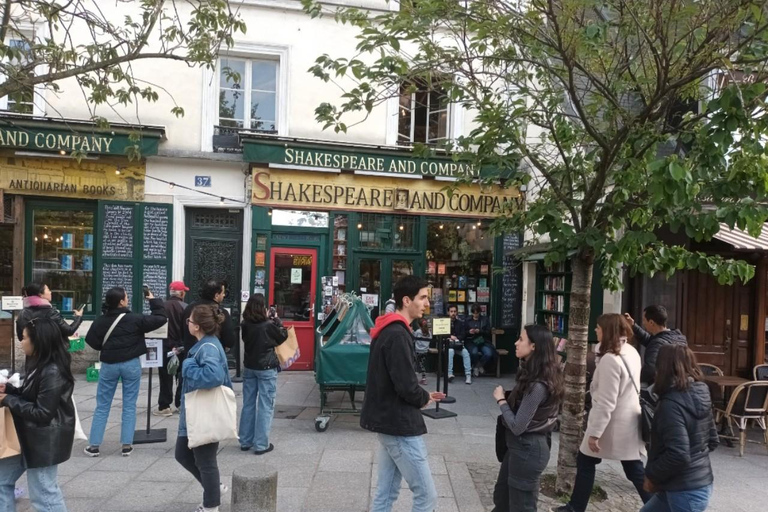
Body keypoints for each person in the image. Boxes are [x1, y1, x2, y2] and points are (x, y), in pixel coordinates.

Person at [361, 275, 445, 512]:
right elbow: (406, 385)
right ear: (406, 300)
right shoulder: (397, 334)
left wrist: (422, 395)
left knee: (386, 494)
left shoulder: (390, 329)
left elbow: (397, 379)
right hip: (399, 425)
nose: (427, 303)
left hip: (389, 422)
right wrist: (423, 398)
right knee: (426, 496)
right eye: (423, 297)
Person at [551, 314, 652, 512]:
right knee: (633, 468)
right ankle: (657, 505)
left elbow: (605, 402)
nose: (595, 330)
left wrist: (595, 432)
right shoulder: (631, 351)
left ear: (608, 331)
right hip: (628, 422)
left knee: (587, 461)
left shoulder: (610, 360)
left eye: (598, 327)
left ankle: (576, 507)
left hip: (612, 424)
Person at [0, 319, 75, 512]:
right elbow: (32, 396)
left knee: (44, 494)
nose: (21, 342)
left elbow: (42, 412)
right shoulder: (40, 364)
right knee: (2, 481)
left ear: (38, 340)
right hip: (28, 436)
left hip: (43, 440)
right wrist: (9, 389)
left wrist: (8, 399)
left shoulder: (52, 370)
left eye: (24, 338)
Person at [83, 286, 167, 457]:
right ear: (121, 301)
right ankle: (126, 445)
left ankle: (94, 445)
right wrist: (152, 300)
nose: (128, 299)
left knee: (103, 405)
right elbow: (161, 318)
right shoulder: (135, 319)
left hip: (109, 365)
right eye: (126, 297)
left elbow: (91, 340)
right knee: (129, 405)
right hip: (130, 364)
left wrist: (106, 347)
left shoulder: (100, 320)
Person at [492, 325, 563, 512]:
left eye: (521, 339)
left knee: (521, 506)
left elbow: (518, 425)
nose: (516, 343)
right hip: (518, 447)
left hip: (528, 450)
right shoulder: (532, 374)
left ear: (534, 346)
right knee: (502, 498)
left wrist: (501, 400)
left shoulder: (538, 384)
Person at [641, 345, 718, 512]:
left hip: (685, 490)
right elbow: (713, 441)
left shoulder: (671, 404)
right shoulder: (701, 391)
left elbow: (678, 454)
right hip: (693, 483)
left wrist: (652, 475)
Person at [176, 304, 233, 512]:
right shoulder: (204, 344)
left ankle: (211, 505)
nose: (187, 323)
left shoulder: (208, 347)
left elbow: (213, 376)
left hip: (205, 412)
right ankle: (214, 490)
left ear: (198, 326)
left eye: (190, 321)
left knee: (205, 460)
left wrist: (188, 366)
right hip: (195, 411)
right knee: (182, 454)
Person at [239, 293, 287, 455]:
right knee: (266, 405)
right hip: (266, 367)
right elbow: (282, 336)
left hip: (250, 366)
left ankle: (245, 440)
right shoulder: (267, 325)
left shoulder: (245, 324)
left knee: (248, 403)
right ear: (262, 308)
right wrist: (277, 320)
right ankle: (261, 444)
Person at [624, 305, 687, 386]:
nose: (643, 323)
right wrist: (633, 326)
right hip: (678, 383)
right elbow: (650, 340)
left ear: (651, 322)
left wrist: (633, 380)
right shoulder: (677, 337)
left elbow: (650, 370)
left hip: (663, 387)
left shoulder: (658, 342)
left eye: (644, 320)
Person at [154, 281, 189, 417]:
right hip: (181, 347)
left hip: (165, 347)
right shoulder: (185, 307)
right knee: (181, 376)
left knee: (165, 377)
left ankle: (164, 406)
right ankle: (180, 403)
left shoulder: (162, 307)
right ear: (181, 293)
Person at [15, 282, 83, 345]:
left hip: (32, 354)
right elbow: (69, 330)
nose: (50, 292)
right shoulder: (50, 312)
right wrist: (78, 317)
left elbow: (21, 337)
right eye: (48, 290)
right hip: (52, 354)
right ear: (40, 294)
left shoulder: (23, 313)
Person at [182, 279, 236, 351]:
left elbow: (182, 332)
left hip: (191, 353)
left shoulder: (189, 308)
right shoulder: (222, 312)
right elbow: (229, 341)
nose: (224, 295)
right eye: (223, 292)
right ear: (216, 295)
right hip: (213, 354)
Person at [465, 304, 496, 378]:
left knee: (488, 354)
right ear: (472, 313)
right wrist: (469, 332)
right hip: (472, 341)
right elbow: (464, 332)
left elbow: (488, 331)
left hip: (482, 341)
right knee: (474, 352)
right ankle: (478, 367)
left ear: (479, 312)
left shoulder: (485, 320)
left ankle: (477, 366)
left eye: (477, 313)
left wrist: (480, 331)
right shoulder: (467, 320)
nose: (475, 315)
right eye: (474, 313)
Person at [446, 305, 472, 385]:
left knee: (466, 353)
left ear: (457, 312)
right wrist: (450, 336)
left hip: (458, 345)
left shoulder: (460, 323)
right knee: (450, 351)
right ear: (448, 312)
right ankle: (449, 374)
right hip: (448, 345)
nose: (453, 313)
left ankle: (468, 375)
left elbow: (463, 334)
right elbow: (441, 333)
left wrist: (456, 337)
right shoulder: (444, 322)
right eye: (451, 311)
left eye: (454, 311)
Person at [413, 318, 431, 385]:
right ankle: (423, 378)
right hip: (425, 351)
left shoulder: (418, 331)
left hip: (418, 350)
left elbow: (414, 338)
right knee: (422, 364)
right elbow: (430, 339)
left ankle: (418, 378)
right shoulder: (429, 332)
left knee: (416, 363)